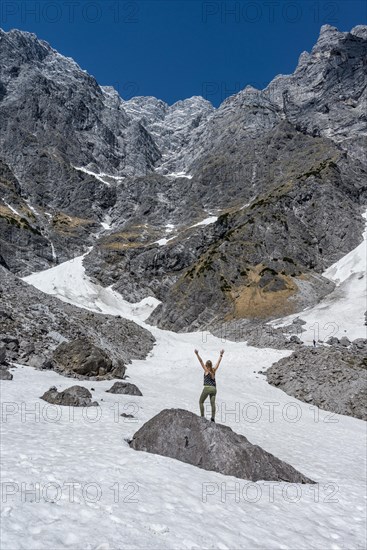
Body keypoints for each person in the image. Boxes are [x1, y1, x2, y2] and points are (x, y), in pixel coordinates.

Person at [194, 349, 224, 422]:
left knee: (201, 402)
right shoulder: (214, 370)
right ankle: (213, 418)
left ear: (207, 365)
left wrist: (197, 354)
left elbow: (201, 361)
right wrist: (221, 355)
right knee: (212, 403)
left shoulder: (206, 370)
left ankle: (202, 416)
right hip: (214, 389)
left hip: (207, 388)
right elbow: (218, 362)